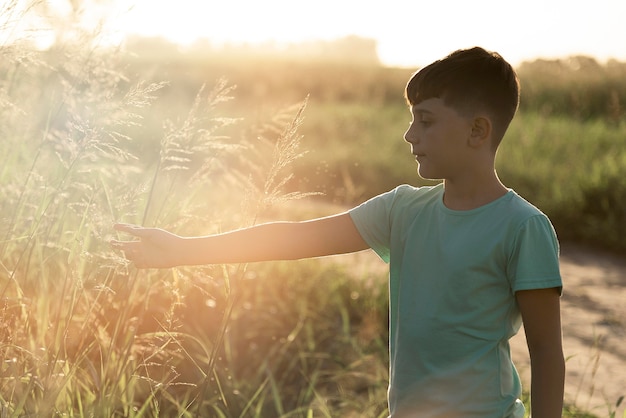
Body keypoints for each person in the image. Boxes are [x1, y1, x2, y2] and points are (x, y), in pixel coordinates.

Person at [112, 46, 565, 418]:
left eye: (425, 120)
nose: (410, 135)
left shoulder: (523, 227)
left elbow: (546, 353)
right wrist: (183, 249)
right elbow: (293, 239)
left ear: (478, 130)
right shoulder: (403, 210)